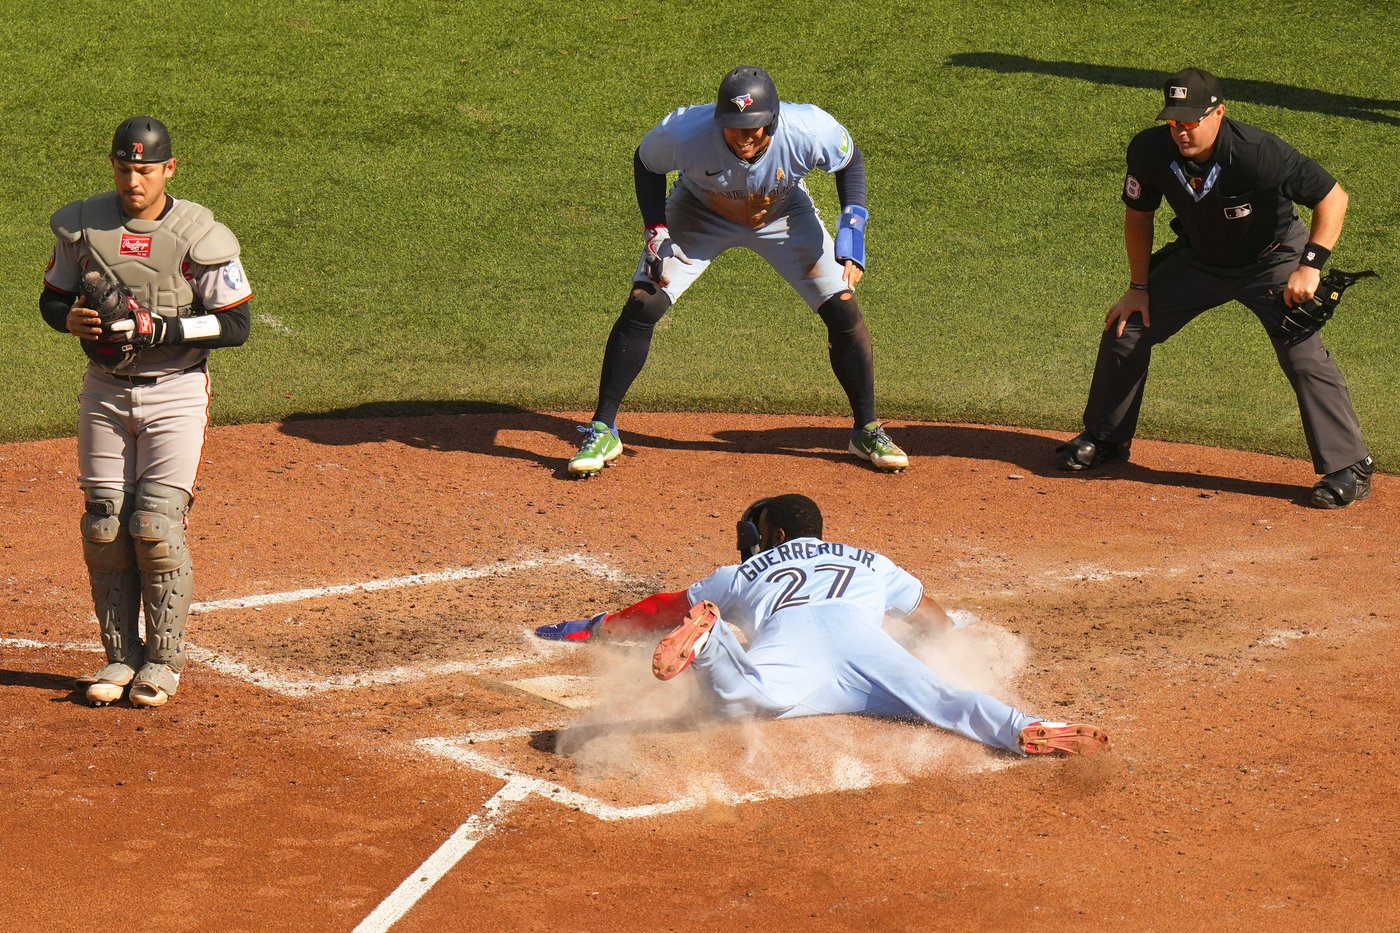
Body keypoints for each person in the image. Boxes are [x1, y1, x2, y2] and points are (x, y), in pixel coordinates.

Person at [536, 494, 1110, 757]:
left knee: (741, 701)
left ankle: (709, 645)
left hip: (795, 649)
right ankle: (1025, 725)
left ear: (779, 535)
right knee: (945, 698)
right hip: (865, 648)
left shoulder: (740, 571)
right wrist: (943, 639)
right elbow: (929, 615)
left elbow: (661, 609)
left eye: (760, 528)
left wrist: (597, 625)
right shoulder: (868, 559)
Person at [567, 65, 908, 477]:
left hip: (781, 214)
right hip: (700, 212)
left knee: (843, 308)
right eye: (733, 129)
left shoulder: (809, 129)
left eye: (754, 128)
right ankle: (603, 428)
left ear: (773, 120)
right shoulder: (684, 132)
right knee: (644, 302)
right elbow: (646, 163)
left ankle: (866, 429)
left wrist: (852, 231)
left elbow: (849, 160)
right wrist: (655, 228)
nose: (743, 138)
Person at [1056, 68, 1374, 508]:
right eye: (1173, 122)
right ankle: (1107, 439)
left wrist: (1310, 266)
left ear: (1218, 113)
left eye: (1190, 121)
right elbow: (1138, 216)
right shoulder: (1150, 150)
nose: (1181, 131)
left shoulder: (1257, 152)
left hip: (1273, 258)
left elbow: (1333, 197)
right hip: (1200, 261)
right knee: (1127, 329)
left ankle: (1350, 466)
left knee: (1301, 352)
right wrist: (1137, 286)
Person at [40, 116, 253, 708]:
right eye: (124, 167)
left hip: (176, 390)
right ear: (113, 165)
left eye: (145, 169)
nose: (134, 180)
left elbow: (236, 323)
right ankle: (119, 656)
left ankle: (163, 662)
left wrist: (164, 327)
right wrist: (69, 320)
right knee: (105, 523)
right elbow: (53, 300)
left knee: (155, 526)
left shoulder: (199, 233)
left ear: (168, 169)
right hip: (104, 390)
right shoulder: (82, 226)